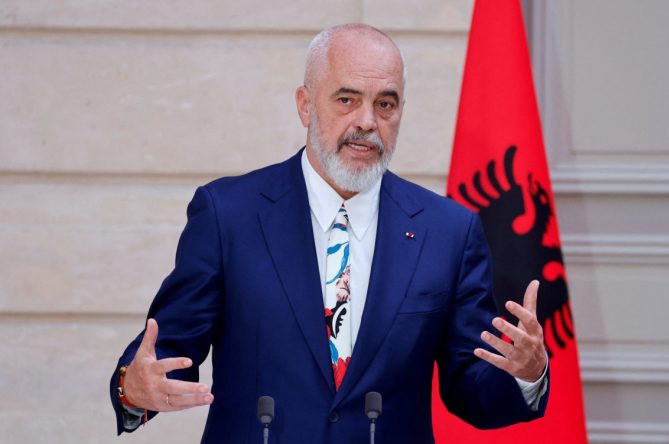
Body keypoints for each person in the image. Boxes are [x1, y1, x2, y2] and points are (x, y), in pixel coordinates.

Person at [110, 23, 549, 443]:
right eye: (346, 99)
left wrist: (526, 374)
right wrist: (134, 388)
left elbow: (471, 389)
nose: (367, 121)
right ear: (305, 104)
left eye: (386, 104)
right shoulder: (229, 215)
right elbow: (166, 349)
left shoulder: (448, 231)